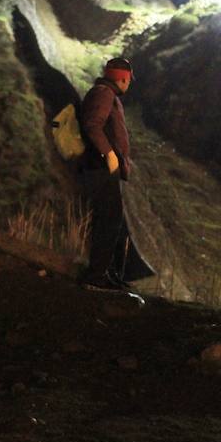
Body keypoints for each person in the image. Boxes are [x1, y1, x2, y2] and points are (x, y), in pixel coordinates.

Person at [79, 57, 134, 291]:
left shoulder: (104, 93)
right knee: (107, 221)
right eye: (129, 80)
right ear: (123, 78)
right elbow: (92, 124)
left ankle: (105, 274)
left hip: (102, 168)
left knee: (112, 222)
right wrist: (109, 155)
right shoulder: (104, 94)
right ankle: (96, 277)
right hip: (101, 168)